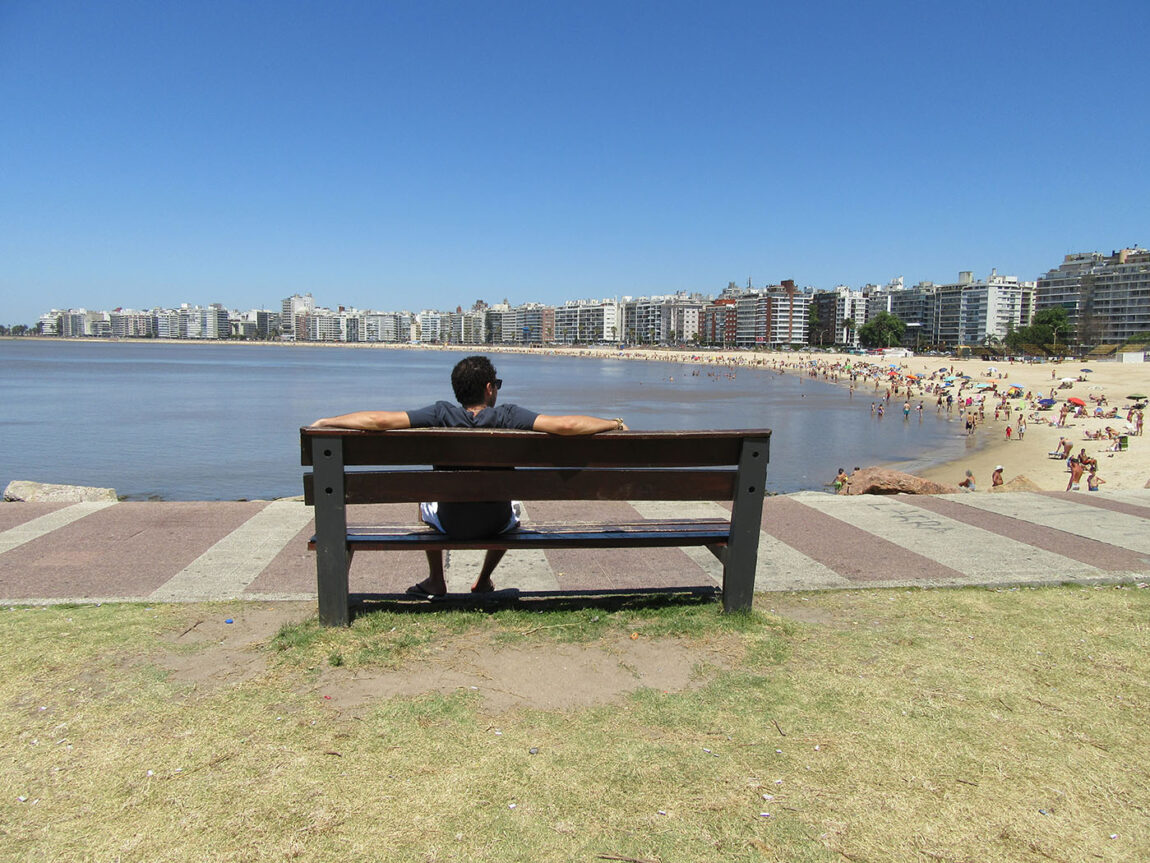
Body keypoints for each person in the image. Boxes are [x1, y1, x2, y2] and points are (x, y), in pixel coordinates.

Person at [311, 355, 628, 598]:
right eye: (497, 385)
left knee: (424, 497)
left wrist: (328, 421)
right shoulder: (509, 416)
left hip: (451, 522)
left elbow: (378, 420)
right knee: (512, 504)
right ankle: (483, 579)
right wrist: (613, 423)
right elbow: (567, 427)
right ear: (490, 388)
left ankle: (436, 579)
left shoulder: (439, 414)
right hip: (497, 521)